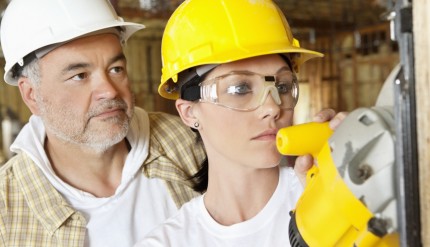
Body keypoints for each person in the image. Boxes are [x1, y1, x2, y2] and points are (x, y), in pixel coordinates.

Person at [134, 0, 346, 246]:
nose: (272, 107)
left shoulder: (328, 194)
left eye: (282, 86)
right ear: (190, 112)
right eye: (240, 88)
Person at [0, 0, 208, 246]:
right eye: (80, 76)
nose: (109, 91)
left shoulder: (190, 143)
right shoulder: (7, 210)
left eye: (116, 69)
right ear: (31, 95)